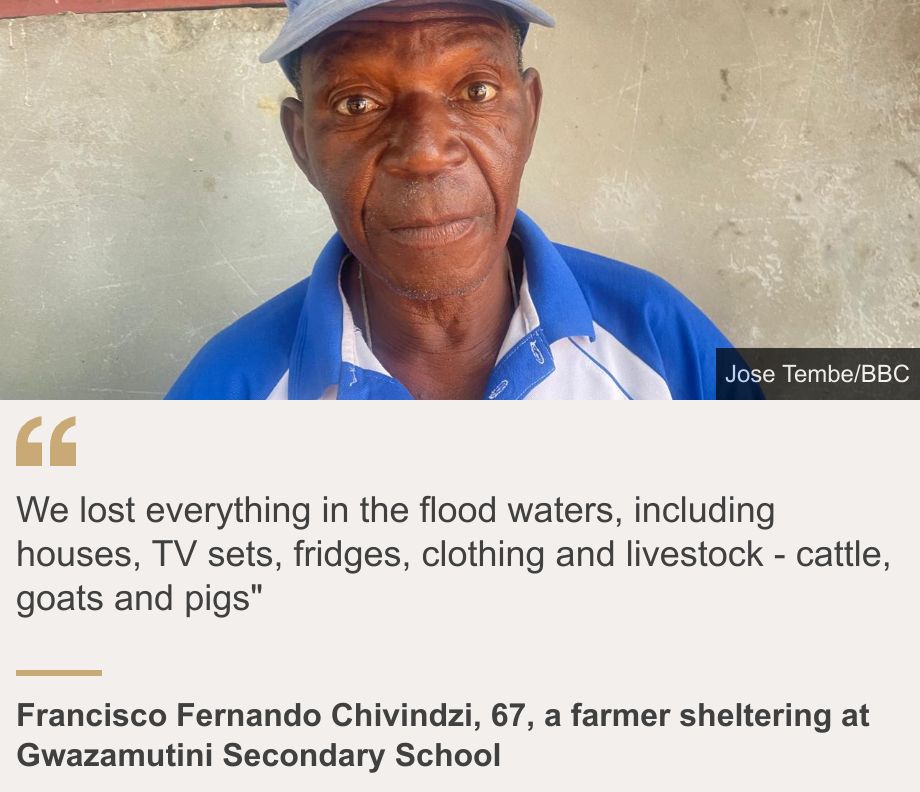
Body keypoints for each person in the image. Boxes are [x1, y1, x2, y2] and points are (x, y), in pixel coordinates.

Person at [167, 0, 736, 400]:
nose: (424, 152)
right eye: (356, 103)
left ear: (529, 115)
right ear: (302, 145)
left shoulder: (660, 337)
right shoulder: (226, 393)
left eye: (475, 90)